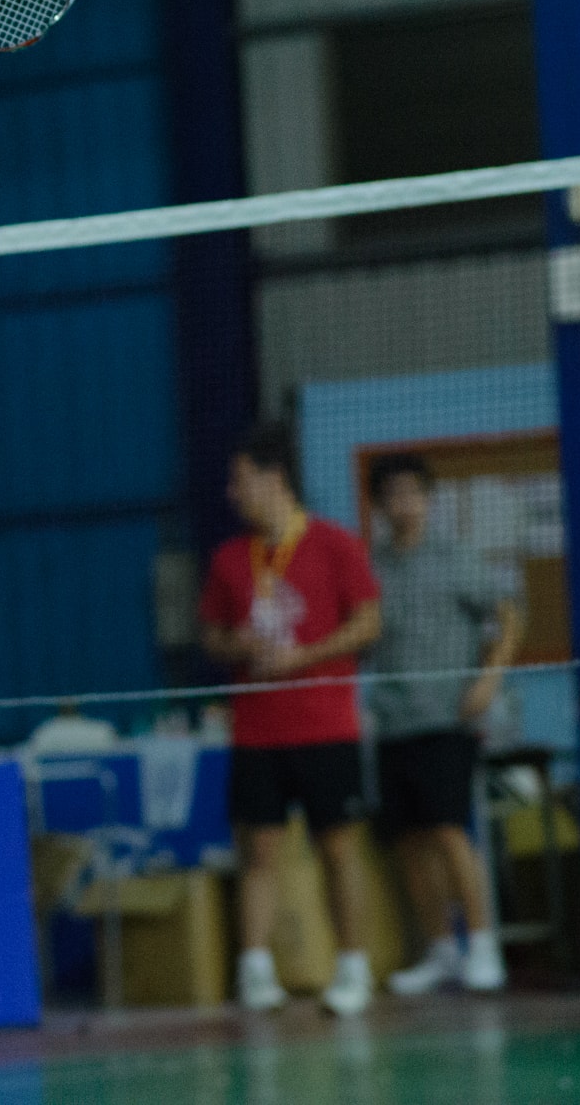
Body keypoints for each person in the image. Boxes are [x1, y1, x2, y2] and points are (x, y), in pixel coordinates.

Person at [198, 422, 383, 1016]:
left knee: (339, 851)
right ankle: (254, 973)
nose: (232, 492)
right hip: (257, 732)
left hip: (326, 727)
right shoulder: (230, 559)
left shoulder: (336, 544)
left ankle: (352, 969)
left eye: (240, 480)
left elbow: (369, 623)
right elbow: (210, 637)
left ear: (274, 478)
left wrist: (304, 656)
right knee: (258, 852)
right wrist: (238, 644)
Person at [362, 454, 519, 996]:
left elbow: (509, 615)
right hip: (392, 721)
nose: (403, 504)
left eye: (413, 492)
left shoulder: (456, 558)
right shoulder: (371, 566)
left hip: (448, 719)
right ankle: (441, 950)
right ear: (379, 505)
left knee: (451, 831)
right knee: (409, 841)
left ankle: (483, 944)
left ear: (429, 499)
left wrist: (489, 680)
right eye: (392, 495)